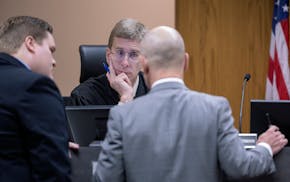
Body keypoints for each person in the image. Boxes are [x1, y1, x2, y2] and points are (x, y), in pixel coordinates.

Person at [94, 26, 288, 182]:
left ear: (144, 65)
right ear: (185, 62)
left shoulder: (123, 115)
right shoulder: (215, 109)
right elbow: (242, 168)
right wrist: (264, 147)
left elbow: (104, 178)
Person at [0, 16, 71, 181]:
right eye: (51, 50)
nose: (54, 62)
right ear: (30, 43)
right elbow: (53, 171)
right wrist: (57, 147)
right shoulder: (35, 86)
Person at [68, 18, 148, 106]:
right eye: (120, 53)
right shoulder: (84, 97)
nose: (125, 63)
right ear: (108, 56)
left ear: (143, 60)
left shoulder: (155, 92)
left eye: (133, 54)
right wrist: (126, 97)